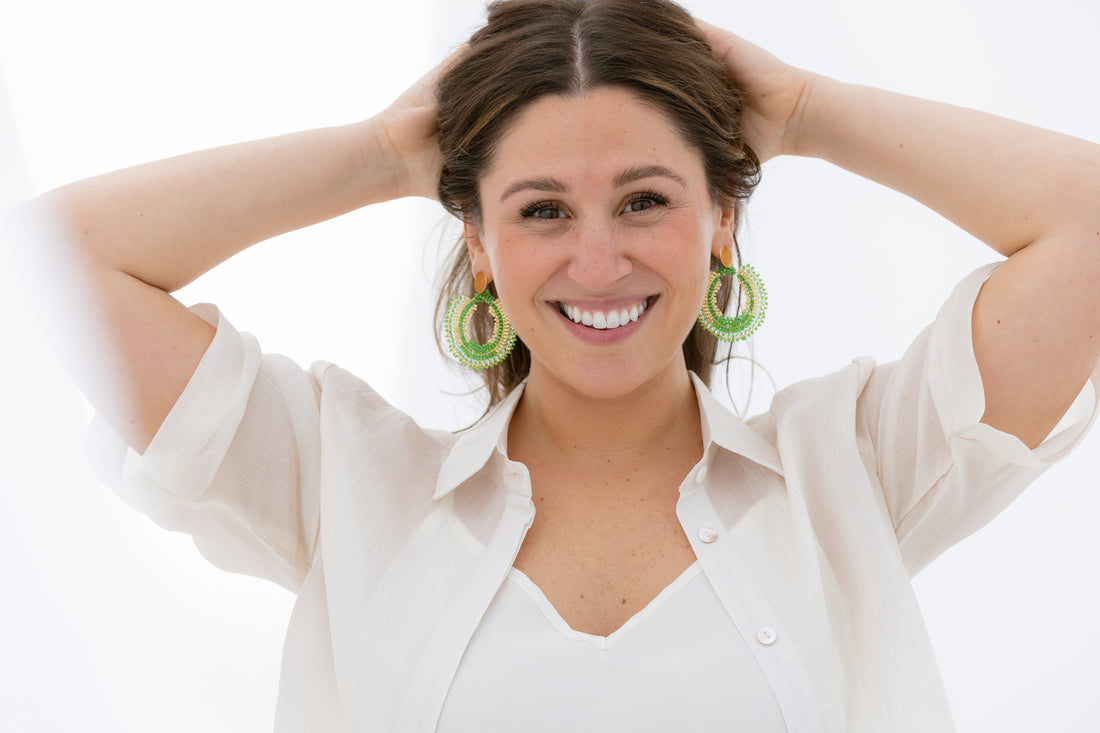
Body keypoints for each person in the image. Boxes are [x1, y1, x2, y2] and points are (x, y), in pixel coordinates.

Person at [26, 0, 1100, 730]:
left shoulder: (852, 470)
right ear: (478, 248)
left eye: (644, 199)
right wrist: (393, 150)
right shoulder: (342, 482)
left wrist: (806, 112)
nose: (598, 261)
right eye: (540, 210)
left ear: (721, 219)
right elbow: (53, 260)